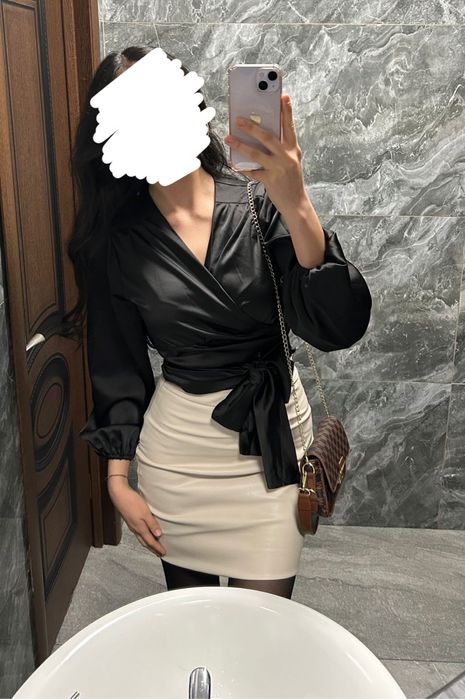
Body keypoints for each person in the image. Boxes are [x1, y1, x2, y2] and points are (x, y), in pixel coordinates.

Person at [60, 46, 372, 600]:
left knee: (260, 622)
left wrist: (297, 202)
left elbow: (335, 325)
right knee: (194, 619)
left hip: (272, 443)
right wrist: (117, 481)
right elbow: (119, 366)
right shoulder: (116, 240)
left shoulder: (258, 203)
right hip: (179, 458)